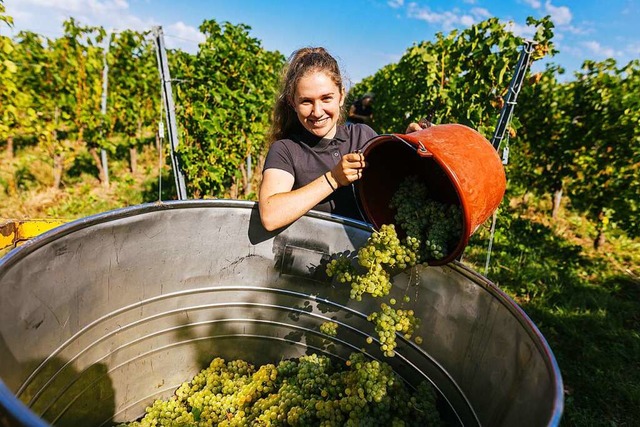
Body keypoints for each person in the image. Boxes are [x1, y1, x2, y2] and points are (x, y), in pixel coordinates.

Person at [258, 47, 422, 232]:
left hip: (365, 257)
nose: (317, 111)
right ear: (292, 102)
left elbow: (396, 185)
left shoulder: (363, 136)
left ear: (341, 96)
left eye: (326, 98)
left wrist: (408, 146)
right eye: (306, 101)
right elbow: (270, 216)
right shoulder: (286, 150)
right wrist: (334, 178)